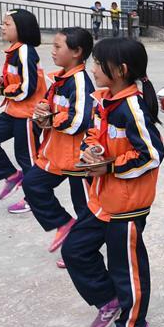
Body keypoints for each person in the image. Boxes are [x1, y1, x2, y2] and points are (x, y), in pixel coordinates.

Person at [62, 37, 164, 327]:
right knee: (75, 249)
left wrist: (109, 167)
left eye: (97, 63)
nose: (92, 68)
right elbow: (95, 134)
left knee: (127, 268)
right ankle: (109, 299)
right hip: (103, 199)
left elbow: (151, 154)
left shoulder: (132, 107)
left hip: (128, 205)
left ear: (120, 70)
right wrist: (91, 149)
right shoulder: (105, 99)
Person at [24, 27, 95, 258]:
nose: (52, 51)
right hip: (55, 153)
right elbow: (48, 108)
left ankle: (85, 252)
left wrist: (51, 119)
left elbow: (79, 121)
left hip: (77, 159)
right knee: (33, 184)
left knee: (85, 208)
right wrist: (43, 112)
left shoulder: (80, 82)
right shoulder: (59, 79)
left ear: (77, 52)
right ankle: (64, 223)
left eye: (57, 47)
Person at [0, 9, 47, 214]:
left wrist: (2, 90)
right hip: (13, 110)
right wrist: (3, 82)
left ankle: (35, 199)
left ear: (21, 28)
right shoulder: (14, 50)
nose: (2, 27)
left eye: (7, 24)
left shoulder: (25, 50)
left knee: (28, 158)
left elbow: (28, 87)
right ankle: (11, 175)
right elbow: (18, 81)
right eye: (3, 23)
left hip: (27, 114)